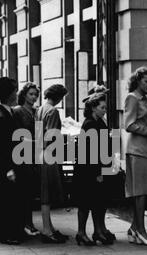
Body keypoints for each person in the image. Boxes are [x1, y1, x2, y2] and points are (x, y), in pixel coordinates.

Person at [124, 67, 147, 246]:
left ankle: (134, 228)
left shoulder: (143, 99)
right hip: (137, 149)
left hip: (144, 149)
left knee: (143, 191)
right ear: (138, 81)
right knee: (140, 192)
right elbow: (129, 125)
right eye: (146, 81)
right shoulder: (132, 98)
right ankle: (140, 230)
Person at [73, 92, 114, 246]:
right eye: (102, 107)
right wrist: (98, 173)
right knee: (85, 203)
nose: (105, 110)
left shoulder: (99, 122)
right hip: (89, 171)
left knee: (98, 201)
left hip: (98, 168)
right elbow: (90, 152)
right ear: (93, 108)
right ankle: (81, 233)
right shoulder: (90, 124)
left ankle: (98, 231)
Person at [0, 77, 24, 245]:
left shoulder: (6, 112)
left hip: (10, 163)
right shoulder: (1, 116)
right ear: (9, 94)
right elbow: (3, 146)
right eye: (14, 91)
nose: (17, 93)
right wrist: (9, 169)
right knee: (6, 200)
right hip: (6, 165)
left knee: (11, 199)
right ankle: (7, 234)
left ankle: (12, 232)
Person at [37, 84, 69, 244]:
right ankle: (47, 230)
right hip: (49, 153)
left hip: (40, 153)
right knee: (47, 194)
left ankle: (48, 227)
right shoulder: (53, 111)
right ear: (58, 97)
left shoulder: (40, 109)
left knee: (45, 193)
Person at [13, 82, 41, 237]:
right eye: (31, 94)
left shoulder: (36, 112)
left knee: (31, 191)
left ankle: (29, 222)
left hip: (34, 155)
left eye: (36, 94)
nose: (34, 97)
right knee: (23, 191)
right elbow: (17, 135)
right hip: (22, 155)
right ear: (24, 95)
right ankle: (25, 223)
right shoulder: (18, 111)